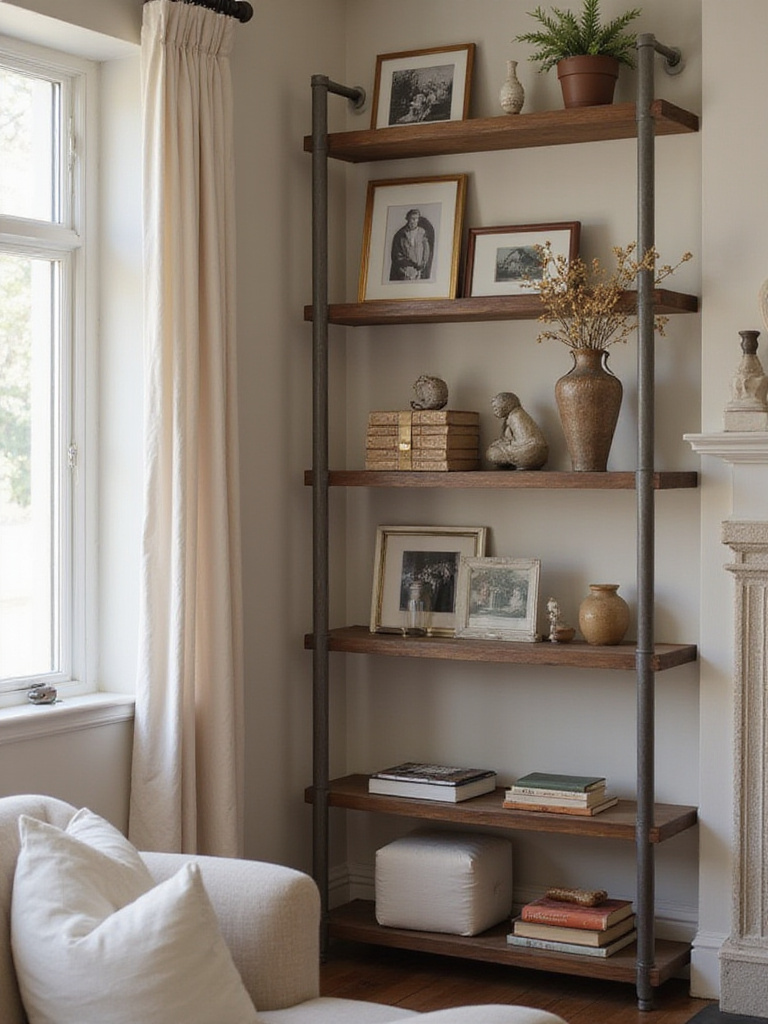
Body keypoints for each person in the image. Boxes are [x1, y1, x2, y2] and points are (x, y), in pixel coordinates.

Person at [486, 391, 548, 470]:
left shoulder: (516, 416)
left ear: (507, 405)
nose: (495, 411)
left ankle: (523, 464)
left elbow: (525, 442)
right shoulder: (512, 416)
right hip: (529, 450)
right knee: (494, 449)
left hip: (531, 452)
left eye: (496, 408)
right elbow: (509, 438)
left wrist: (504, 446)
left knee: (492, 453)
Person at [390, 208, 433, 281]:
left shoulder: (422, 232)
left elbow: (426, 250)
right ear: (407, 219)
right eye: (412, 219)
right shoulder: (401, 235)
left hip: (419, 270)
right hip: (406, 270)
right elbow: (397, 255)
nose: (414, 221)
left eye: (416, 219)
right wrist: (405, 269)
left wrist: (423, 263)